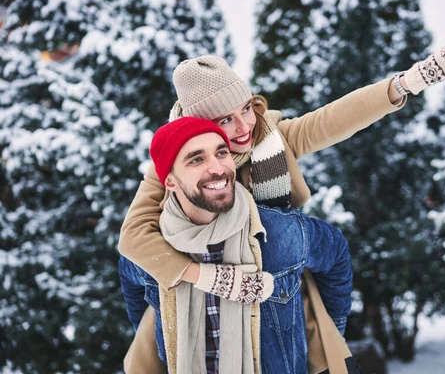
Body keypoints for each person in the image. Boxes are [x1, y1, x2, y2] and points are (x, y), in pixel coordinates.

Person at [118, 25, 445, 372]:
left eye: (246, 108)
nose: (245, 126)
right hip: (197, 302)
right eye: (226, 120)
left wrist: (407, 82)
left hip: (279, 295)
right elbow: (133, 240)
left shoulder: (270, 138)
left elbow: (333, 119)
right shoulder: (175, 164)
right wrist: (209, 280)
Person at [119, 117, 357, 373]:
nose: (217, 168)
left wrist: (331, 329)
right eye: (196, 159)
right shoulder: (152, 248)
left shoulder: (280, 231)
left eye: (221, 153)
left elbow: (336, 252)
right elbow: (132, 283)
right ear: (170, 181)